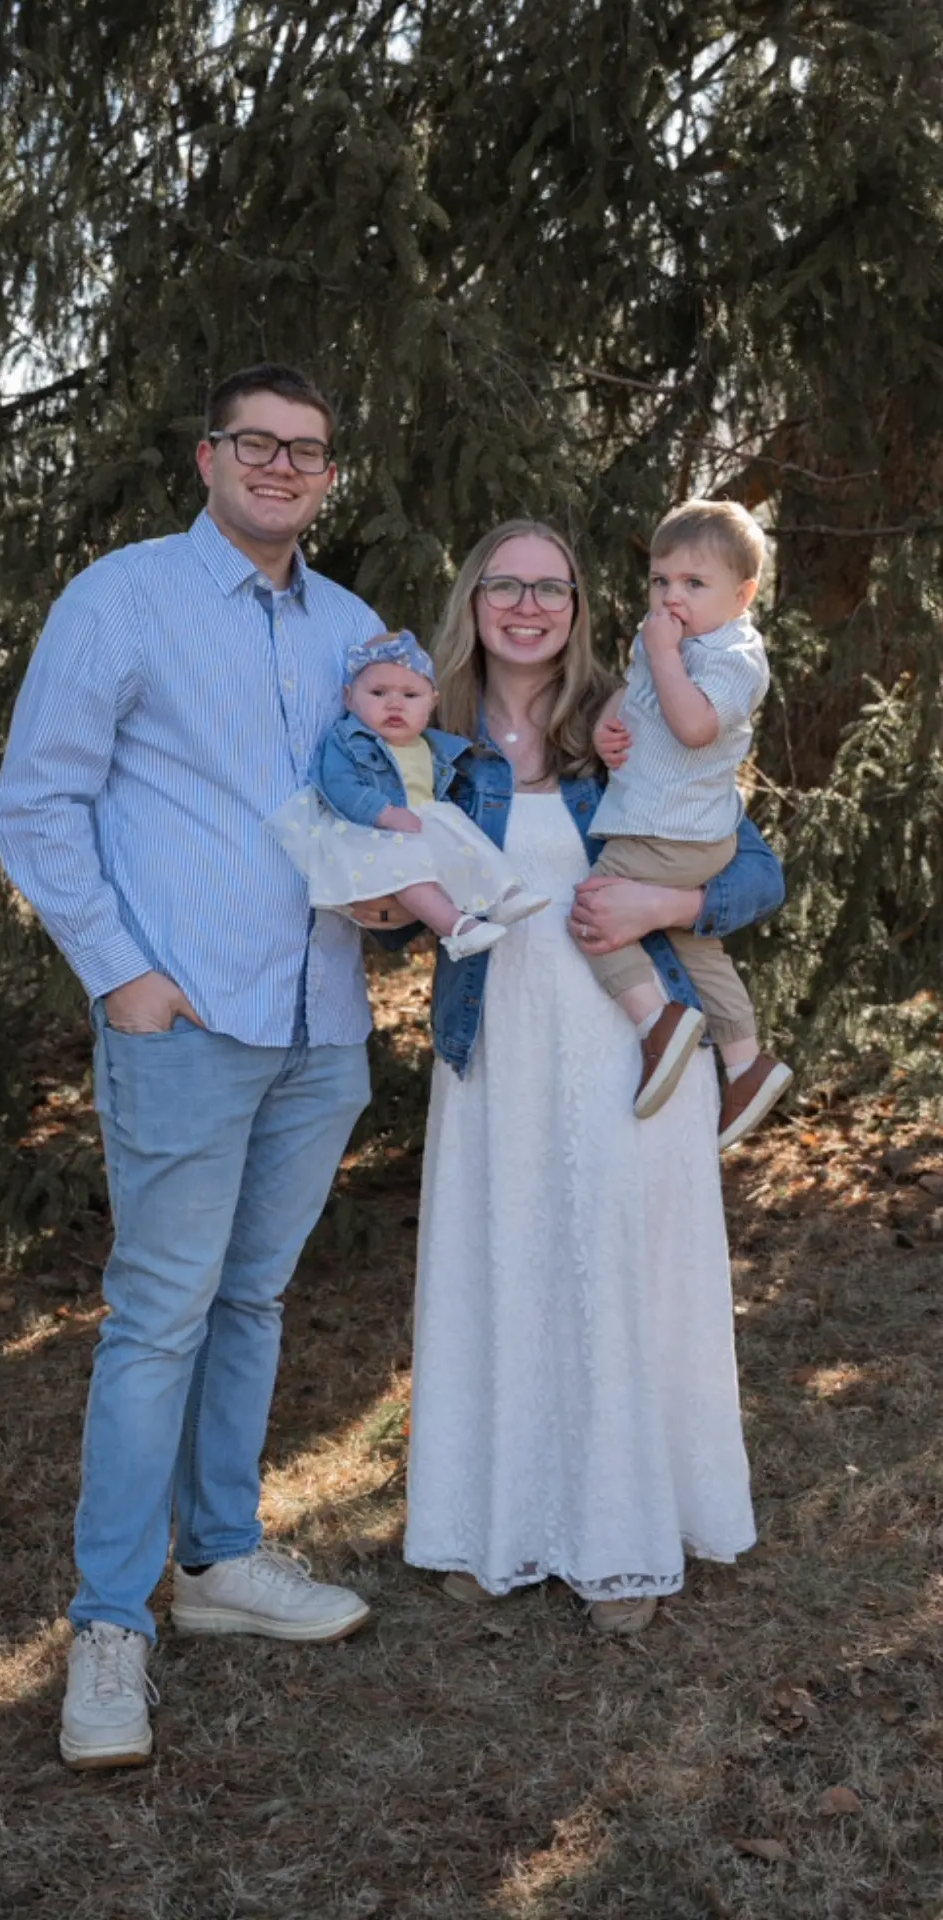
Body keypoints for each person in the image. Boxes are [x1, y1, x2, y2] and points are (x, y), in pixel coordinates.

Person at [0, 363, 389, 1771]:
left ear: (328, 477)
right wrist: (125, 977)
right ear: (208, 456)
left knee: (255, 1301)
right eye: (259, 444)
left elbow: (367, 806)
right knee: (159, 1315)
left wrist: (398, 883)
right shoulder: (124, 597)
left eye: (310, 451)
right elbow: (39, 803)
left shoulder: (351, 628)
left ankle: (221, 1561)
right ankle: (111, 1622)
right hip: (185, 1022)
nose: (285, 466)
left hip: (320, 1027)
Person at [395, 518, 784, 1633]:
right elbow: (387, 903)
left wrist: (667, 906)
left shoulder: (631, 719)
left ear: (577, 606)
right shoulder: (430, 739)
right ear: (473, 601)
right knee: (504, 1268)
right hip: (495, 1055)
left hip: (637, 1050)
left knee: (620, 1274)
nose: (528, 605)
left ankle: (625, 1541)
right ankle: (494, 1524)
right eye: (504, 585)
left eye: (552, 587)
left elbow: (754, 871)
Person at [585, 498, 792, 1146]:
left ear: (742, 595)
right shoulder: (667, 641)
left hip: (672, 833)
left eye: (694, 584)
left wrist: (665, 654)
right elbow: (637, 689)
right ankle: (745, 1061)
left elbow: (696, 725)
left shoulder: (733, 654)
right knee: (699, 948)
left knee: (595, 912)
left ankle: (657, 1025)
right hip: (667, 827)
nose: (672, 597)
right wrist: (607, 722)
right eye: (661, 580)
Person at [268, 628, 548, 959]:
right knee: (411, 876)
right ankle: (457, 929)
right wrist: (383, 812)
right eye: (378, 692)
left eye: (410, 696)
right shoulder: (347, 740)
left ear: (432, 701)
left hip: (421, 818)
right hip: (373, 830)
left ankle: (503, 896)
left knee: (469, 842)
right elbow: (339, 785)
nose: (395, 704)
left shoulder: (431, 745)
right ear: (348, 698)